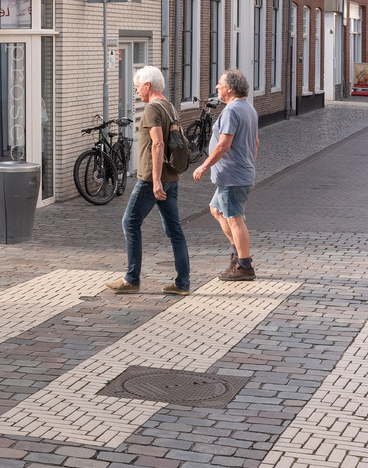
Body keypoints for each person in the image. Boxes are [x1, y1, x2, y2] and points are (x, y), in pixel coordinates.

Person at [106, 65, 190, 296]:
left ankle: (131, 279)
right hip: (171, 177)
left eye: (138, 87)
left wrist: (155, 180)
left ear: (148, 86)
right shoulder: (169, 106)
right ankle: (182, 283)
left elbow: (158, 143)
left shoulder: (153, 108)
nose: (137, 92)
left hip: (152, 180)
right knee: (175, 230)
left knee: (130, 223)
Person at [192, 69, 259, 281]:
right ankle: (238, 255)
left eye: (220, 84)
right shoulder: (248, 108)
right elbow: (256, 142)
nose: (217, 87)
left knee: (235, 218)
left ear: (229, 88)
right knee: (216, 210)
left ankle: (245, 266)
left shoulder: (231, 111)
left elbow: (223, 144)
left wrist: (203, 166)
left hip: (232, 176)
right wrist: (249, 166)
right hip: (237, 174)